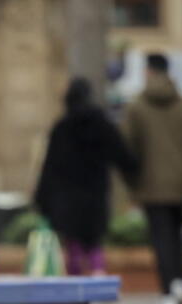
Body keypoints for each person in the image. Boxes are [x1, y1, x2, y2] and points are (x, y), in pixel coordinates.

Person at [123, 53, 182, 304]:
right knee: (176, 235)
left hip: (151, 185)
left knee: (161, 240)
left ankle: (170, 289)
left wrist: (132, 184)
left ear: (148, 71)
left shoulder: (136, 107)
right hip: (180, 184)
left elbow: (128, 148)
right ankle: (179, 281)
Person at [33, 78, 137, 277]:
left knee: (73, 242)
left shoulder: (61, 128)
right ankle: (98, 274)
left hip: (67, 198)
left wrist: (42, 200)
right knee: (94, 240)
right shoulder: (102, 124)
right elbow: (122, 155)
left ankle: (76, 282)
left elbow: (49, 166)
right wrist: (134, 170)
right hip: (94, 194)